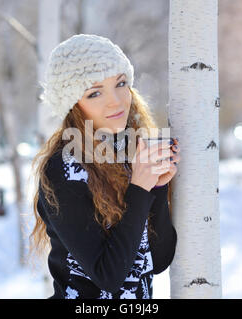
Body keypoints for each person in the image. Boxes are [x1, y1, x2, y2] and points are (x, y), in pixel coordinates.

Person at [29, 34, 181, 299]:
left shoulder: (129, 154)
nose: (117, 101)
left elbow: (158, 260)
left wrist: (156, 187)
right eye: (95, 92)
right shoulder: (62, 170)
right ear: (73, 104)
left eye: (121, 83)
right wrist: (140, 189)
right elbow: (108, 276)